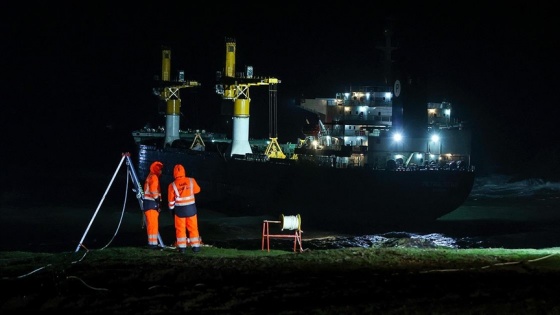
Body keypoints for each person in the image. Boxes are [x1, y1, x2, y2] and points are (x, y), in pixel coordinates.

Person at [168, 164, 202, 253]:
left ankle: (182, 248)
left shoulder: (172, 185)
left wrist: (171, 210)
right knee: (193, 228)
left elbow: (171, 202)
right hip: (191, 209)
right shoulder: (191, 180)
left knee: (180, 229)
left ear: (174, 173)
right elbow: (198, 190)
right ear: (183, 171)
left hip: (180, 211)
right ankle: (196, 247)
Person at [142, 161, 163, 249]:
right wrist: (158, 201)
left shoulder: (149, 176)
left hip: (148, 204)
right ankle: (153, 244)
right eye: (161, 170)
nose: (161, 172)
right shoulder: (154, 177)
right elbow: (154, 190)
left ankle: (152, 243)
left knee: (151, 225)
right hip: (152, 203)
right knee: (153, 225)